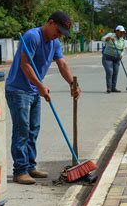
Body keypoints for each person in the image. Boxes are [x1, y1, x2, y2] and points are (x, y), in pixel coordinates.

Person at [5, 11, 81, 185]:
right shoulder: (32, 37)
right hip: (18, 90)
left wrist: (72, 84)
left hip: (33, 91)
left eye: (62, 33)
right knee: (22, 130)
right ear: (50, 22)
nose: (59, 34)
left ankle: (30, 166)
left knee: (33, 130)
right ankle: (20, 170)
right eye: (58, 30)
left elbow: (62, 64)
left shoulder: (54, 43)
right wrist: (41, 87)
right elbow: (25, 64)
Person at [101, 25, 126, 93]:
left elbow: (123, 49)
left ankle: (113, 88)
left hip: (117, 58)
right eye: (121, 32)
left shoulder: (122, 40)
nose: (122, 34)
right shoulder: (111, 35)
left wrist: (121, 55)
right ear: (117, 31)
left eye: (123, 32)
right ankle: (109, 88)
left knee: (115, 72)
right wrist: (108, 38)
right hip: (107, 57)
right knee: (110, 72)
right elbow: (102, 39)